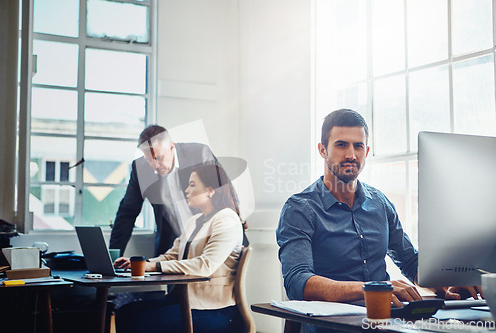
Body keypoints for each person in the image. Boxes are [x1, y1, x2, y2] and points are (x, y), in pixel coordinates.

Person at [276, 109, 482, 333]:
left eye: (358, 146)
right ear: (322, 149)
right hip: (331, 327)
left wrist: (447, 282)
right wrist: (374, 289)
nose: (351, 155)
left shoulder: (380, 203)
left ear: (367, 151)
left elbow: (410, 261)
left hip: (386, 324)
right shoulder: (299, 208)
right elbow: (298, 281)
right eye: (341, 145)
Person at [114, 165, 243, 333]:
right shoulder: (195, 221)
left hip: (214, 310)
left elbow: (205, 266)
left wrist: (153, 267)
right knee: (126, 312)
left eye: (192, 185)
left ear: (211, 190)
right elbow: (172, 256)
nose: (186, 190)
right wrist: (141, 263)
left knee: (142, 322)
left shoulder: (227, 219)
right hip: (185, 301)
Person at [109, 125, 236, 256]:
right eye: (148, 160)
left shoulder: (199, 154)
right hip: (173, 248)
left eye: (159, 158)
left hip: (211, 238)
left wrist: (236, 226)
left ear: (171, 146)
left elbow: (225, 189)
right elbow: (127, 213)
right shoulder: (140, 169)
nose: (155, 165)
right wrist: (112, 257)